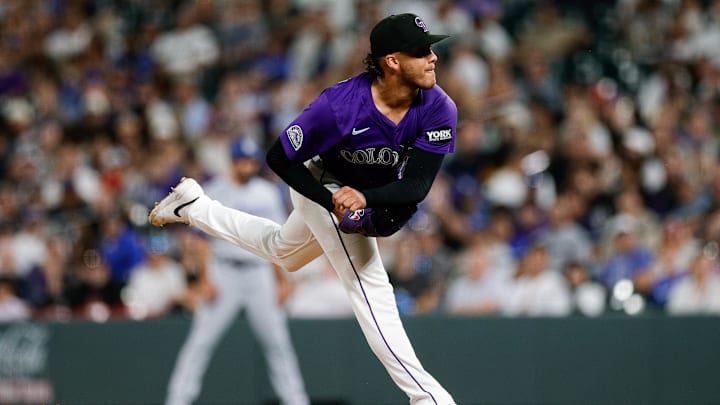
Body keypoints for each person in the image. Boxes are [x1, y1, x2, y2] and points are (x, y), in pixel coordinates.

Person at [150, 13, 457, 404]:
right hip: (322, 180)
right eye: (421, 51)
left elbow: (417, 185)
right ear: (392, 61)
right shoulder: (339, 106)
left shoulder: (438, 107)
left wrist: (367, 200)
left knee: (284, 252)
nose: (433, 57)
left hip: (362, 193)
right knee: (371, 285)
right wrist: (329, 201)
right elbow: (279, 157)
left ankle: (195, 207)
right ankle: (428, 398)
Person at [165, 138, 309, 405]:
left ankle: (296, 401)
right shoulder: (214, 189)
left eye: (251, 160)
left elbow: (277, 240)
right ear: (232, 161)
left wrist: (282, 281)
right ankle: (177, 400)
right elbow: (201, 240)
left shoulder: (266, 192)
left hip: (259, 274)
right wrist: (206, 279)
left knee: (277, 343)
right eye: (242, 160)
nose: (247, 165)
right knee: (200, 342)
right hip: (224, 272)